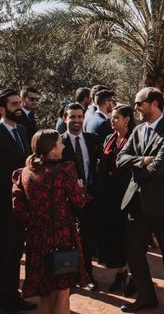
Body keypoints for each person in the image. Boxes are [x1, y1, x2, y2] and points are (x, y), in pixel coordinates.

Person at [116, 87, 164, 314]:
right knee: (133, 254)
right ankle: (147, 297)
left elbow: (157, 169)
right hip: (137, 204)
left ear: (154, 104)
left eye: (139, 103)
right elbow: (120, 159)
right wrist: (143, 160)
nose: (135, 107)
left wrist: (138, 168)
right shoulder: (138, 131)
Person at [12, 130, 88, 314]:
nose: (63, 145)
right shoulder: (65, 170)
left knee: (44, 291)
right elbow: (79, 202)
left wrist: (37, 222)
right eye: (61, 142)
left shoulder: (23, 173)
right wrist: (80, 189)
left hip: (37, 238)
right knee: (62, 291)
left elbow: (18, 208)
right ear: (52, 148)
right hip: (62, 236)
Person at [0, 89, 35, 312]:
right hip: (3, 206)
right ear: (1, 109)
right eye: (14, 104)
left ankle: (12, 297)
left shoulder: (22, 130)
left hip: (23, 205)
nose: (19, 107)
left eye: (19, 102)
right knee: (2, 254)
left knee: (15, 252)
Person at [61, 103, 103, 291]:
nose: (76, 121)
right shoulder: (58, 143)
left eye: (79, 117)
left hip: (89, 198)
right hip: (66, 201)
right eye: (73, 117)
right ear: (65, 119)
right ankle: (66, 277)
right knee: (66, 239)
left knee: (87, 237)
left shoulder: (93, 139)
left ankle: (87, 274)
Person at [97, 104, 135, 293]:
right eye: (111, 118)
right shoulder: (108, 138)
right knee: (115, 237)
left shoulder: (135, 140)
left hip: (128, 196)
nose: (111, 121)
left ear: (127, 119)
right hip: (109, 198)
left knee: (129, 238)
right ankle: (121, 272)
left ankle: (134, 276)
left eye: (116, 118)